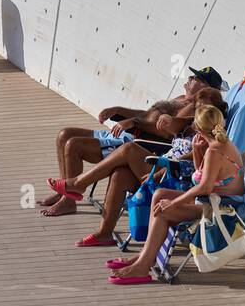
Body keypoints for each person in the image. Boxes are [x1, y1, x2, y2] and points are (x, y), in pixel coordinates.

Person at [47, 88, 226, 247]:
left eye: (204, 109)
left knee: (129, 149)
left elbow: (197, 164)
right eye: (197, 108)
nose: (198, 112)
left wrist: (165, 169)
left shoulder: (208, 138)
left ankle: (79, 183)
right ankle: (104, 233)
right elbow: (174, 122)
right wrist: (164, 119)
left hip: (172, 176)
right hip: (159, 167)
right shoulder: (190, 124)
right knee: (120, 174)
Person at [39, 66, 224, 217]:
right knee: (64, 134)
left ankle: (69, 200)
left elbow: (165, 132)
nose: (190, 78)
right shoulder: (180, 99)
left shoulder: (193, 111)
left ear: (206, 89)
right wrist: (119, 110)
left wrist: (134, 123)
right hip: (129, 133)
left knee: (74, 145)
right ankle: (63, 191)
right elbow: (147, 115)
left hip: (140, 141)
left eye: (196, 78)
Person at [107, 103, 245, 284]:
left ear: (197, 128)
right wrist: (197, 151)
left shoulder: (214, 151)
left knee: (164, 209)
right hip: (212, 199)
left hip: (221, 207)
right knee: (159, 195)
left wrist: (173, 203)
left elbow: (203, 187)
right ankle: (145, 256)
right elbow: (200, 177)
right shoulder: (221, 143)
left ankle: (143, 266)